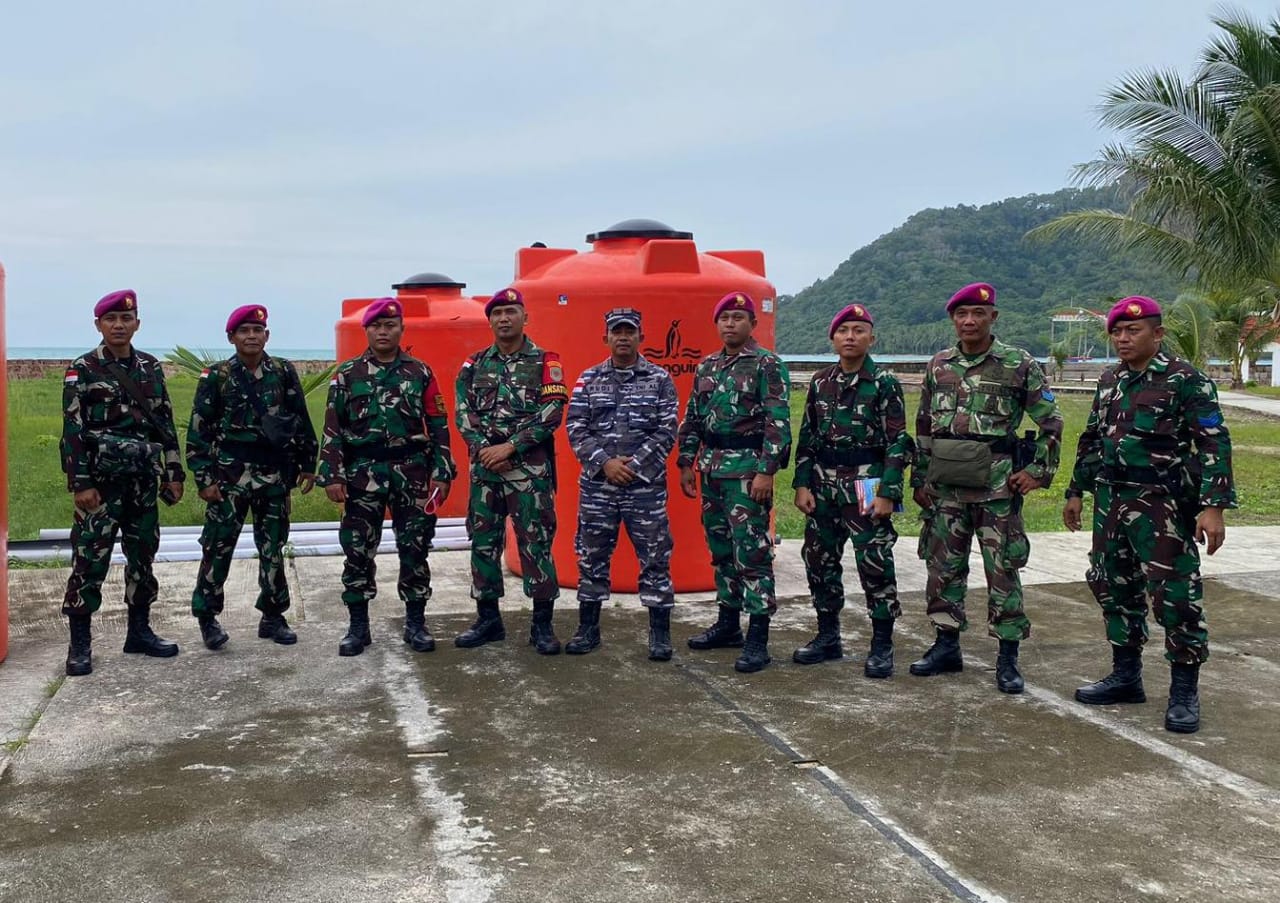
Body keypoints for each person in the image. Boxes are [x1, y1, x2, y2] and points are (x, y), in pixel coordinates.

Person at [1063, 296, 1235, 734]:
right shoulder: (1109, 381)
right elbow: (1091, 439)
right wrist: (1076, 491)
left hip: (1162, 503)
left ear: (1157, 334)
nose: (1122, 338)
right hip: (1111, 500)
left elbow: (1214, 442)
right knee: (1112, 585)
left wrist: (1213, 507)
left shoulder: (1185, 380)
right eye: (1117, 331)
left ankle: (1183, 691)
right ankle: (1126, 676)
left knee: (1175, 595)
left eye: (1132, 331)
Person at [910, 282, 1062, 693]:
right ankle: (946, 645)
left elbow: (1051, 423)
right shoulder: (938, 365)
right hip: (946, 489)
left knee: (1003, 571)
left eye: (978, 314)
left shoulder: (1018, 363)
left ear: (993, 317)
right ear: (953, 320)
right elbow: (924, 425)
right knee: (942, 568)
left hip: (996, 489)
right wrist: (919, 477)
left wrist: (1036, 472)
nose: (970, 321)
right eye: (961, 315)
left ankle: (1008, 657)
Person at [317, 298, 456, 657]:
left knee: (415, 548)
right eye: (377, 326)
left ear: (401, 330)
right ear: (367, 330)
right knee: (358, 550)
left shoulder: (420, 372)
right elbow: (332, 427)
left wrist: (442, 471)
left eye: (390, 325)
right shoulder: (347, 375)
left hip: (411, 472)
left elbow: (438, 425)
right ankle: (358, 627)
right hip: (363, 474)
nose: (383, 331)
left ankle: (416, 623)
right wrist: (332, 474)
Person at [60, 289, 186, 676]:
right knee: (90, 561)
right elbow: (73, 429)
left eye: (126, 319)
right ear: (98, 324)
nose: (119, 325)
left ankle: (139, 632)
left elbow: (164, 422)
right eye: (111, 319)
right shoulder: (83, 368)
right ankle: (80, 644)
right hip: (101, 485)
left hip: (142, 484)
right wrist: (80, 483)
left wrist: (174, 472)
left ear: (137, 324)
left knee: (142, 558)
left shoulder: (149, 367)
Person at [186, 304, 319, 650]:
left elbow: (299, 418)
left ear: (267, 336)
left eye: (257, 331)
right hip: (229, 476)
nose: (251, 336)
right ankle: (207, 617)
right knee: (218, 547)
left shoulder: (283, 371)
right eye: (244, 331)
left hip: (273, 476)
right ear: (231, 337)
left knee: (273, 547)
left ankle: (273, 615)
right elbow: (199, 431)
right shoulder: (216, 376)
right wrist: (204, 479)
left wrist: (308, 462)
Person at [792, 303, 912, 677]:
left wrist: (889, 492)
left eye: (859, 331)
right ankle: (828, 636)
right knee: (818, 559)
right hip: (824, 484)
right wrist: (801, 483)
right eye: (844, 331)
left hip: (867, 482)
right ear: (832, 339)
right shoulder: (820, 381)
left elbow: (898, 441)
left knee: (874, 563)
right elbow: (807, 436)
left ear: (871, 339)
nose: (850, 337)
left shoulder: (884, 383)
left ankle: (881, 644)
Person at [677, 291, 791, 673]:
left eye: (738, 317)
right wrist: (685, 462)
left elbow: (778, 422)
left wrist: (766, 471)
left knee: (752, 555)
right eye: (724, 318)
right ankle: (728, 624)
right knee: (722, 550)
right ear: (717, 324)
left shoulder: (767, 365)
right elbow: (693, 416)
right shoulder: (707, 366)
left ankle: (758, 637)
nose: (730, 324)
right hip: (711, 470)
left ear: (752, 324)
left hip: (746, 473)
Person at [454, 287, 568, 654]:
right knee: (484, 544)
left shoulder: (545, 361)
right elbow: (462, 414)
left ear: (525, 317)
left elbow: (552, 413)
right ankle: (488, 620)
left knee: (536, 544)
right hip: (485, 472)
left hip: (529, 473)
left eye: (511, 311)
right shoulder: (473, 365)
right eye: (497, 313)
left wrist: (511, 447)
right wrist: (485, 450)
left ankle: (542, 626)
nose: (504, 318)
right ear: (489, 320)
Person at [564, 307, 679, 660]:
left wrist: (633, 465)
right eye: (617, 332)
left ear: (641, 337)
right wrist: (606, 463)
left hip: (645, 488)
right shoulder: (588, 379)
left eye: (630, 331)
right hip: (599, 487)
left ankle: (659, 633)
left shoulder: (659, 379)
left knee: (656, 557)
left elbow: (667, 429)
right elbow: (575, 428)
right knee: (591, 555)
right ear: (606, 338)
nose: (623, 337)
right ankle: (588, 629)